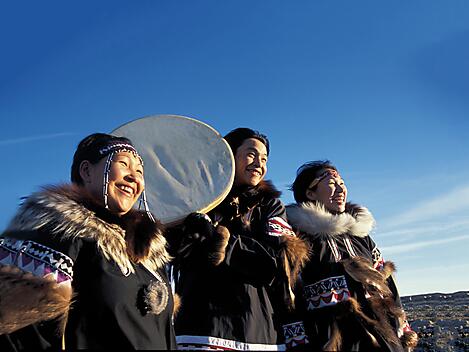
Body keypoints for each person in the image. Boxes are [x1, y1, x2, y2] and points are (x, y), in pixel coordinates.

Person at [0, 133, 177, 350]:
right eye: (123, 164)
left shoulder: (145, 254)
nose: (134, 176)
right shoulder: (56, 230)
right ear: (86, 171)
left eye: (140, 171)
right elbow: (20, 329)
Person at [169, 128, 309, 351]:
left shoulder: (269, 205)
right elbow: (174, 252)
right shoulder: (197, 200)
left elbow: (277, 264)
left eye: (264, 159)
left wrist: (219, 240)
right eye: (251, 154)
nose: (259, 164)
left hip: (257, 329)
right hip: (201, 327)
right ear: (228, 155)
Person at [286, 160, 418, 351]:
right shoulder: (297, 238)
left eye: (342, 183)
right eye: (331, 184)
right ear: (310, 193)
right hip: (330, 339)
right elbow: (288, 293)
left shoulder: (361, 237)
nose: (340, 190)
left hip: (382, 337)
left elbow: (387, 285)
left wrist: (402, 327)